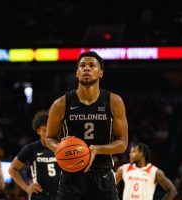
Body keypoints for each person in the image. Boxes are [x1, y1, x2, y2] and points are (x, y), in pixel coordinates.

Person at [46, 51, 128, 200]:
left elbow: (122, 143)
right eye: (82, 66)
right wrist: (61, 148)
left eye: (92, 65)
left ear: (101, 73)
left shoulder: (114, 101)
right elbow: (49, 138)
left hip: (102, 176)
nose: (86, 68)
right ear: (77, 73)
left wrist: (97, 149)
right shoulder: (61, 104)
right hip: (71, 177)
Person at [8, 110, 61, 200]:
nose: (48, 133)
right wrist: (26, 187)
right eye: (45, 130)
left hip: (59, 195)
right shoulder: (31, 148)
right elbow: (12, 169)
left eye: (50, 129)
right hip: (39, 195)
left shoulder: (61, 147)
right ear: (38, 130)